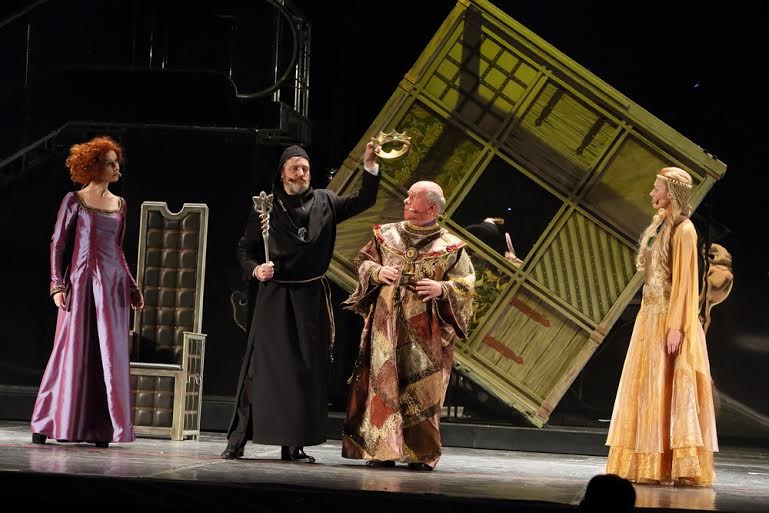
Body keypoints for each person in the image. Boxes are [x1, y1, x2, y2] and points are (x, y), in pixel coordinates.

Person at [221, 143, 382, 462]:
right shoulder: (266, 206)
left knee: (304, 371)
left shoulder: (326, 201)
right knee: (259, 368)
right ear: (282, 173)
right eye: (295, 167)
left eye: (305, 167)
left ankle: (294, 444)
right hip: (275, 295)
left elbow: (365, 200)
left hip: (310, 297)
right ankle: (237, 439)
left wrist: (370, 166)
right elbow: (244, 248)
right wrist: (256, 269)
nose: (301, 172)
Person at [341, 181, 475, 471]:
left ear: (432, 207)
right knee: (383, 380)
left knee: (423, 386)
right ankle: (382, 450)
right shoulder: (386, 235)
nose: (406, 200)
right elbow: (363, 262)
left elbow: (467, 284)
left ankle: (421, 454)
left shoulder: (450, 246)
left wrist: (442, 288)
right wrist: (377, 272)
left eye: (413, 197)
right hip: (386, 323)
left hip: (426, 328)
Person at [606, 167, 718, 485]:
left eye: (657, 189)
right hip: (648, 317)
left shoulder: (685, 230)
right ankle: (646, 465)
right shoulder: (659, 225)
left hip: (669, 319)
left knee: (668, 386)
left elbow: (686, 282)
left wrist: (677, 327)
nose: (652, 193)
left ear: (671, 193)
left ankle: (671, 465)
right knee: (646, 388)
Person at [31, 136, 144, 448]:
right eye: (110, 163)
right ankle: (48, 420)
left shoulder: (121, 205)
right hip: (81, 283)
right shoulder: (74, 200)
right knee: (71, 349)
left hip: (113, 287)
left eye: (116, 162)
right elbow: (58, 244)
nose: (116, 168)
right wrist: (57, 284)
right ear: (93, 167)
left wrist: (132, 285)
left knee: (107, 355)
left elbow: (118, 250)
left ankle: (100, 428)